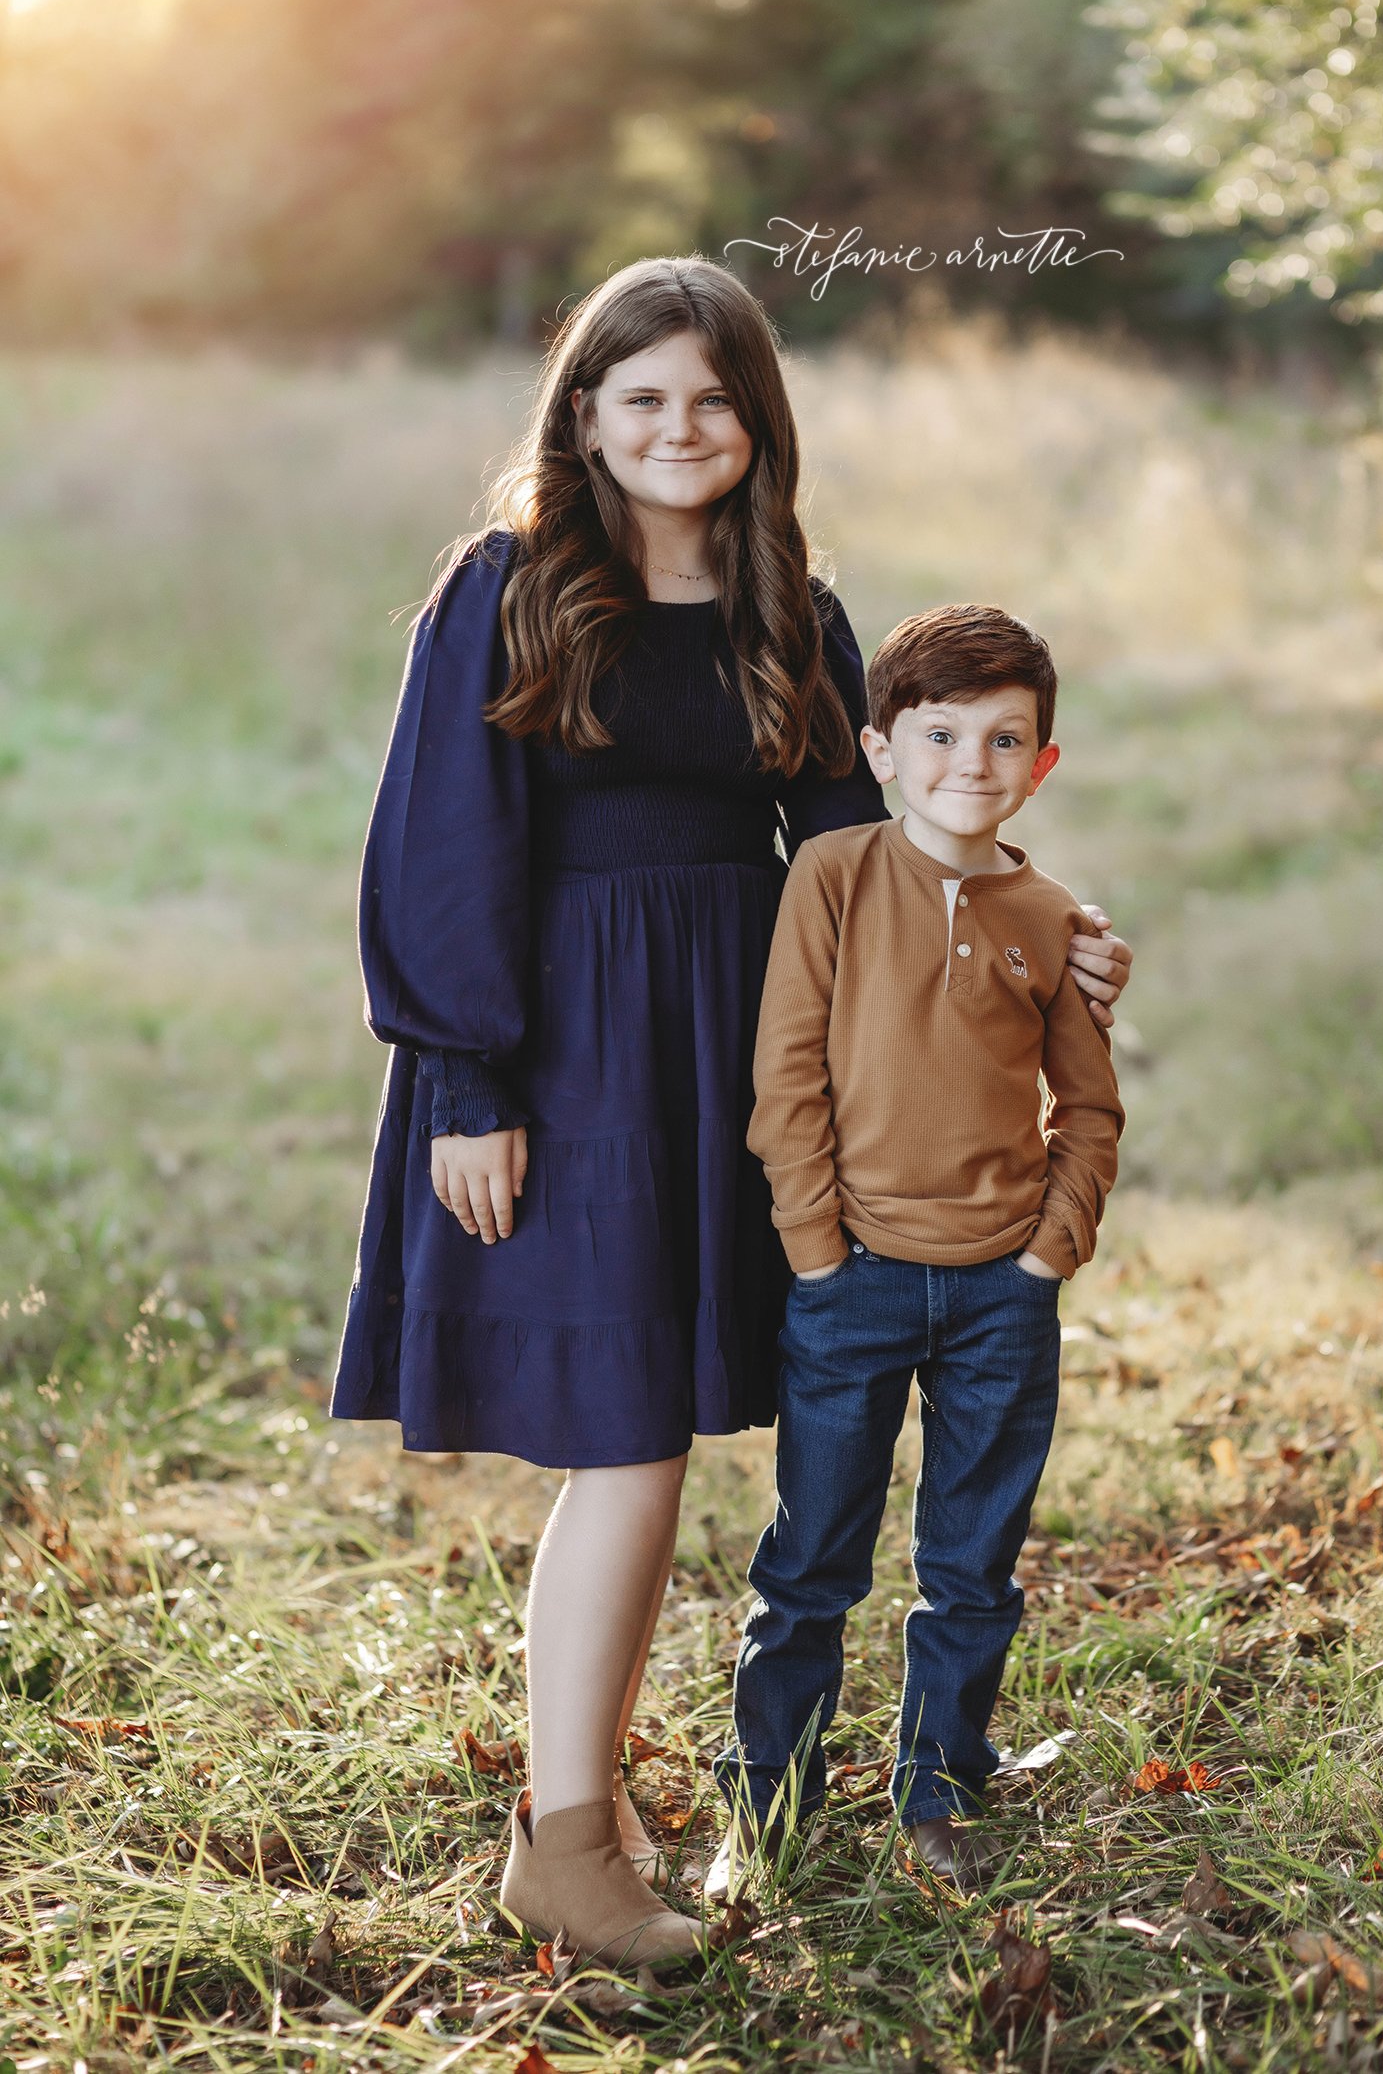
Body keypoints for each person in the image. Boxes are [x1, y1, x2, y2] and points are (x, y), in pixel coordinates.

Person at [329, 257, 1134, 1966]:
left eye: (711, 399)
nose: (679, 429)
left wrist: (1044, 947)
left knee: (658, 1440)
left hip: (739, 1043)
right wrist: (468, 1081)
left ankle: (584, 1795)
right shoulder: (508, 587)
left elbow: (885, 845)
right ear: (587, 419)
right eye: (642, 400)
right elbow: (437, 846)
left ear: (756, 420)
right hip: (563, 1054)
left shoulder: (796, 613)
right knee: (622, 1444)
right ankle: (563, 1840)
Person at [711, 602, 1124, 1896]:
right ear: (882, 748)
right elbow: (786, 1079)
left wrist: (1054, 1249)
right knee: (811, 1561)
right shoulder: (831, 875)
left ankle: (939, 1791)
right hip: (856, 1284)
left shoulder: (1048, 914)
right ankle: (764, 1810)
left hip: (1005, 1291)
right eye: (940, 735)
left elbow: (1090, 1102)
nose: (972, 765)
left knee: (972, 1568)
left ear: (1042, 765)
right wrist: (817, 1251)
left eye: (1007, 741)